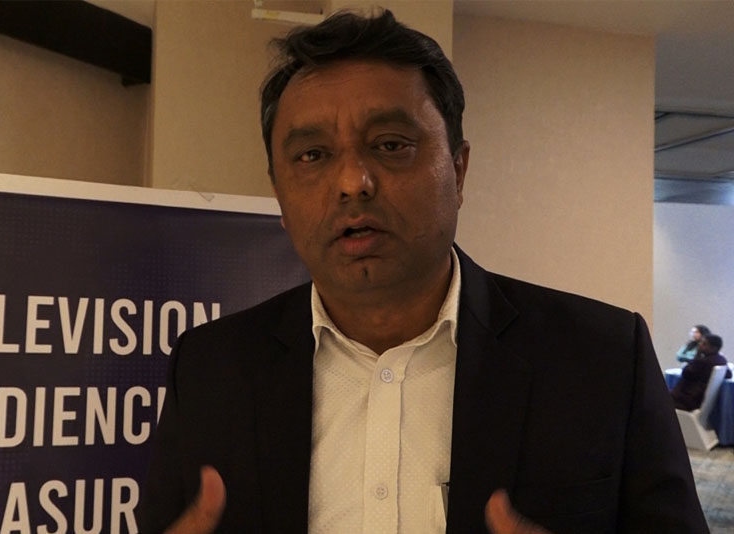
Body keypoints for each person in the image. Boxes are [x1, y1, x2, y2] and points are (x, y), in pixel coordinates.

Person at [136, 10, 707, 534]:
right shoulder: (210, 371)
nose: (352, 182)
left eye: (391, 144)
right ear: (279, 195)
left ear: (458, 171)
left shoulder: (604, 359)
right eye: (312, 155)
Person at [672, 334, 732, 411]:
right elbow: (729, 374)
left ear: (714, 348)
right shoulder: (721, 360)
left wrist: (697, 355)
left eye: (704, 344)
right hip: (700, 399)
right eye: (700, 342)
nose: (699, 345)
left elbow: (686, 373)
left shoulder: (702, 362)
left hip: (688, 400)